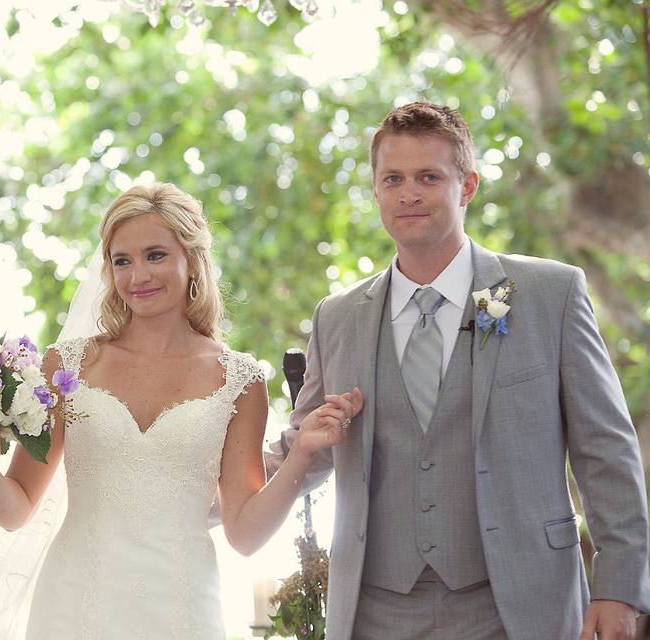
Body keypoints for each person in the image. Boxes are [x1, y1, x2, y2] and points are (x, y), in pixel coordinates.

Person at [266, 102, 650, 640]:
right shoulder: (338, 317)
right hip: (377, 610)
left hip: (517, 602)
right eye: (393, 178)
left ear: (467, 185)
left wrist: (619, 585)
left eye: (429, 177)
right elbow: (301, 450)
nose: (409, 194)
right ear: (375, 190)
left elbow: (606, 449)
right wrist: (201, 497)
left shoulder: (548, 293)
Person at [0, 182, 361, 639]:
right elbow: (14, 508)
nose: (138, 276)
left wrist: (301, 455)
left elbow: (245, 534)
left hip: (182, 608)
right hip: (73, 605)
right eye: (123, 260)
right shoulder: (67, 365)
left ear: (191, 260)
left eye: (155, 255)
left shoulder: (239, 381)